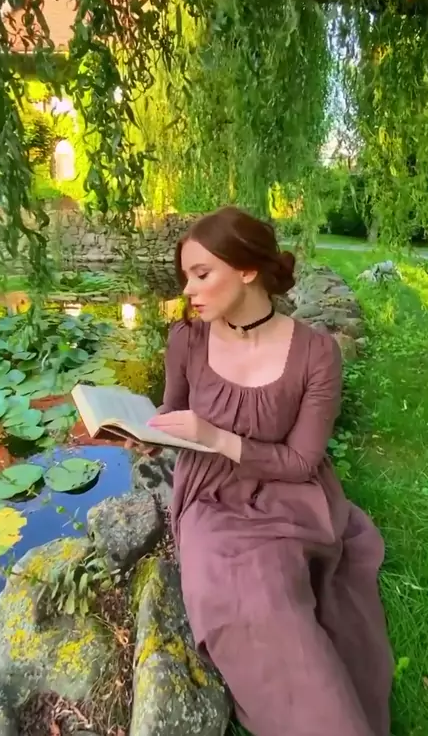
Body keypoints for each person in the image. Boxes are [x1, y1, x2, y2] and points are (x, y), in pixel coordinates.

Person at [135, 206, 393, 736]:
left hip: (291, 494)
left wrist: (217, 437)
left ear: (247, 270)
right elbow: (170, 413)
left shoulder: (316, 353)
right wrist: (143, 433)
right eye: (186, 276)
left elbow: (300, 462)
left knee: (281, 590)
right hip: (209, 495)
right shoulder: (188, 339)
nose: (188, 290)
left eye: (201, 274)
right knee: (248, 596)